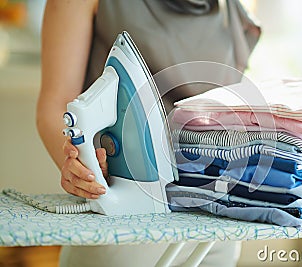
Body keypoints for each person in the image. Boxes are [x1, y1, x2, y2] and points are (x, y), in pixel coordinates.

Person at [36, 0, 260, 266]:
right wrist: (83, 170)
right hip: (124, 224)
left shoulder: (230, 8)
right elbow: (55, 106)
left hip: (214, 222)